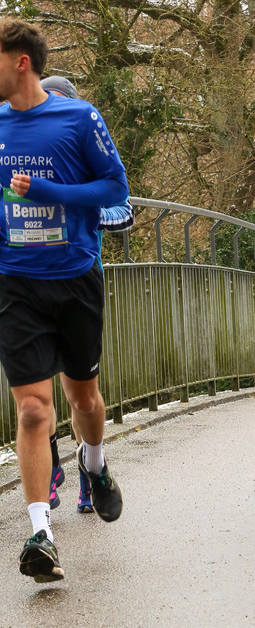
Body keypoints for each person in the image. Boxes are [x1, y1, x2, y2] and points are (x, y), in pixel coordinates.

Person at [0, 18, 126, 583]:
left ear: (20, 61)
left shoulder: (79, 117)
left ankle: (94, 463)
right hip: (14, 281)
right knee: (31, 408)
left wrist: (50, 192)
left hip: (75, 276)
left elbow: (115, 189)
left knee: (86, 400)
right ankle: (40, 534)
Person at [40, 75, 135, 513]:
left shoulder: (89, 155)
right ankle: (48, 469)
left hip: (80, 279)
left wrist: (84, 210)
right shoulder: (23, 152)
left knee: (80, 390)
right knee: (33, 387)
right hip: (26, 280)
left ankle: (87, 470)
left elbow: (123, 210)